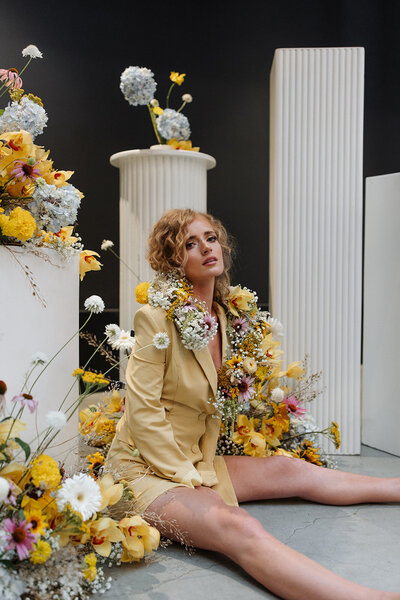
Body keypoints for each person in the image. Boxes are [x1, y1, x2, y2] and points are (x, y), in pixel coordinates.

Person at [105, 208, 400, 600]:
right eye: (190, 244)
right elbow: (141, 414)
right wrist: (192, 480)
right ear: (175, 260)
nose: (206, 248)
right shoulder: (155, 319)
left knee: (287, 467)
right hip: (143, 469)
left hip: (197, 457)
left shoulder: (226, 317)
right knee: (237, 525)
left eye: (210, 237)